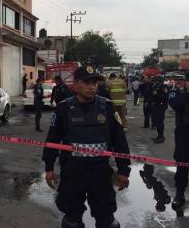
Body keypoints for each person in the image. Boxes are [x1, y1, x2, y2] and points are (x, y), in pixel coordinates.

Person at [43, 66, 130, 228]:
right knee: (71, 221)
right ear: (75, 84)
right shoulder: (63, 109)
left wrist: (124, 171)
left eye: (95, 82)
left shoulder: (107, 107)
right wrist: (49, 168)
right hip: (72, 172)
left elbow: (120, 142)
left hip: (101, 172)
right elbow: (52, 140)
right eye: (87, 82)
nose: (92, 86)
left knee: (108, 221)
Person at [169, 68, 189, 209]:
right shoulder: (181, 94)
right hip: (184, 134)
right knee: (183, 165)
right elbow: (173, 104)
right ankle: (180, 194)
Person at [149, 75, 169, 144]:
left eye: (156, 80)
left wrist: (155, 94)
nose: (154, 81)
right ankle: (159, 136)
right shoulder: (155, 86)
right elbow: (151, 93)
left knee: (160, 122)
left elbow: (163, 97)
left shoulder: (164, 87)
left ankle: (161, 137)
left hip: (161, 106)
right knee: (157, 122)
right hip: (155, 106)